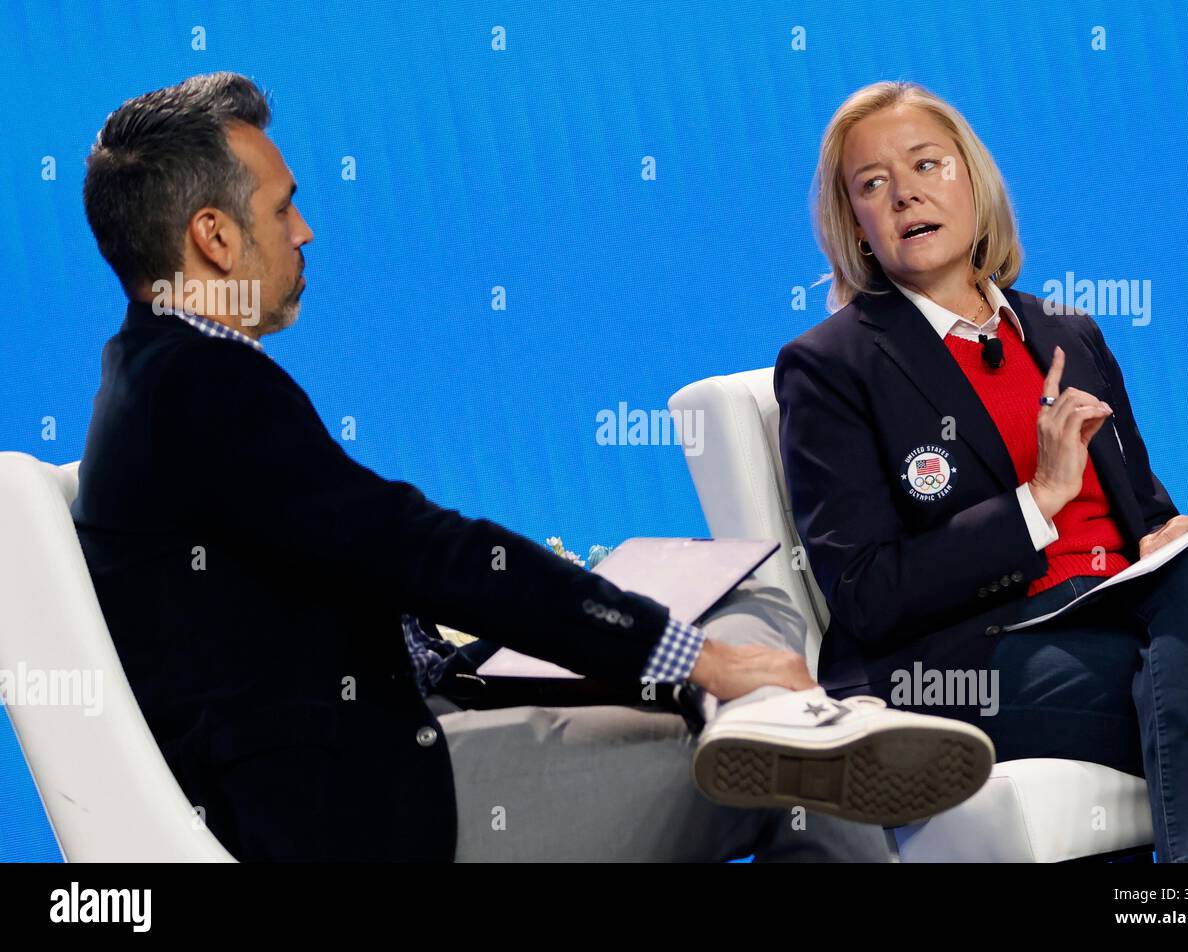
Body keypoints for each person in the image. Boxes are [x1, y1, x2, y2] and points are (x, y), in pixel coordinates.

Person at [72, 72, 994, 862]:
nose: (304, 230)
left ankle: (760, 710)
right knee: (801, 779)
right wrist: (693, 658)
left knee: (745, 612)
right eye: (281, 208)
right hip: (375, 806)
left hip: (414, 728)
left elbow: (348, 567)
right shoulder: (202, 390)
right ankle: (776, 719)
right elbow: (422, 549)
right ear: (214, 237)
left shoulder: (156, 377)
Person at [776, 80, 1188, 863]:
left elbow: (1146, 507)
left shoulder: (1067, 333)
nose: (906, 193)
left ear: (974, 182)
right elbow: (866, 593)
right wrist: (1037, 501)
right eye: (873, 183)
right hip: (969, 663)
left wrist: (1162, 534)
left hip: (1119, 615)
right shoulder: (831, 367)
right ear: (855, 223)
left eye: (926, 164)